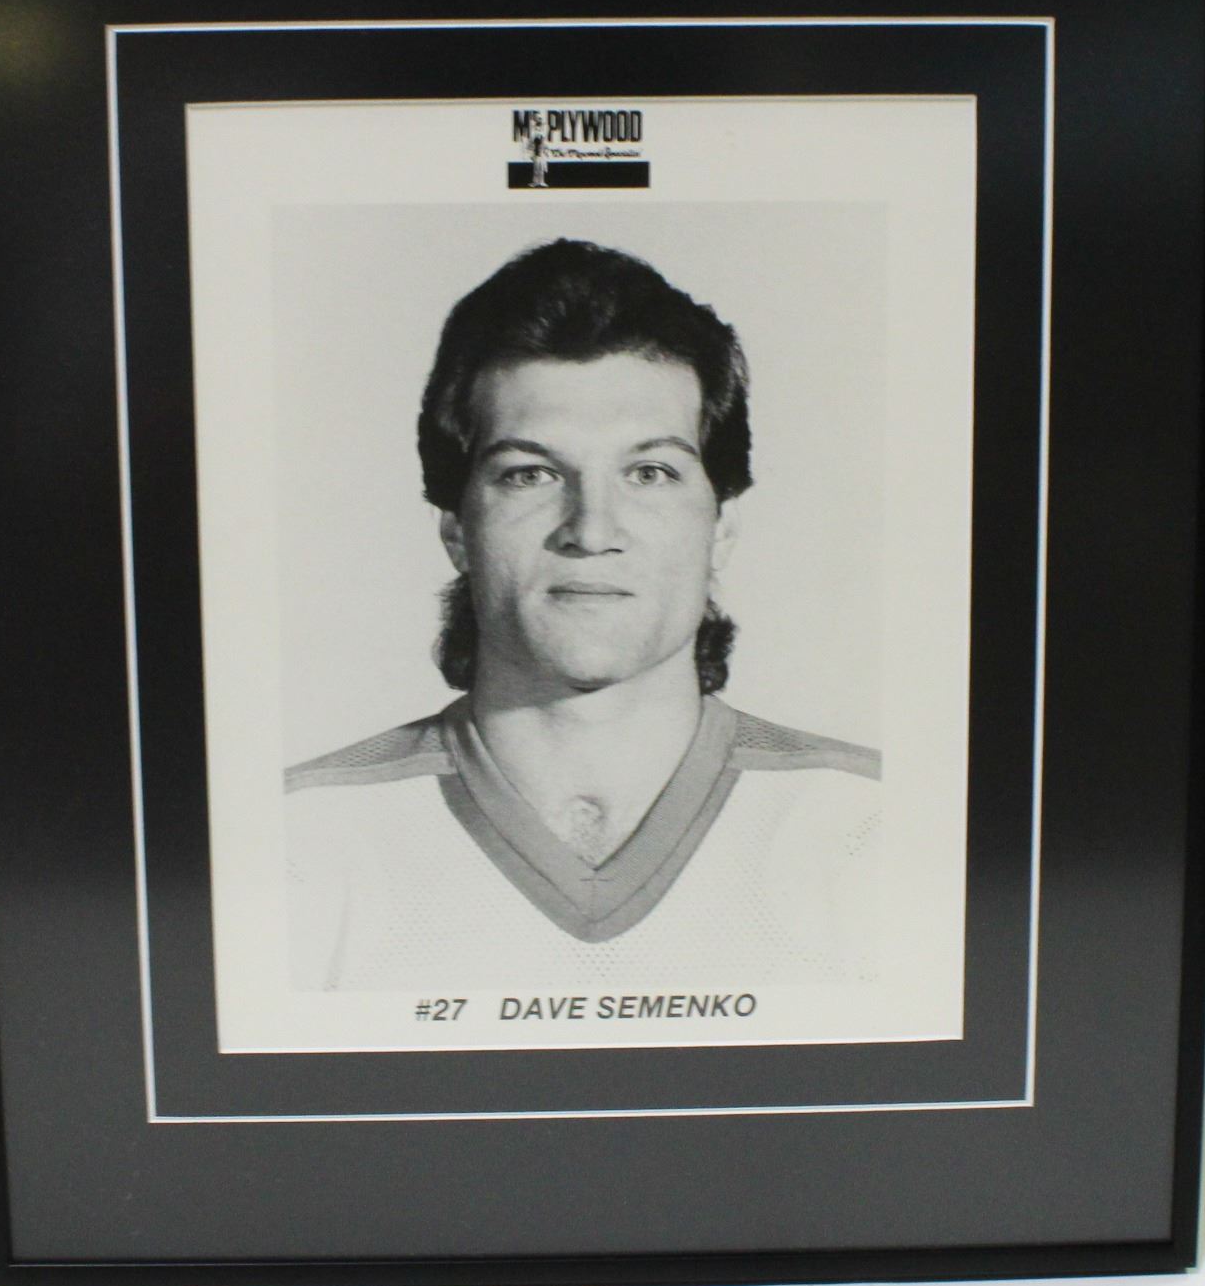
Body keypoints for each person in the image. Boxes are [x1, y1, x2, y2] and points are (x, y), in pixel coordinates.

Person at [284, 238, 882, 990]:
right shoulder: (298, 842)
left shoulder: (870, 827)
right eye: (530, 474)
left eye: (650, 472)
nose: (592, 530)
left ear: (721, 525)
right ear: (456, 528)